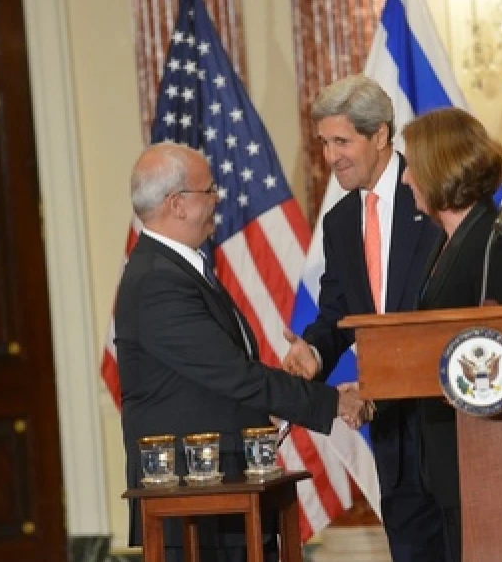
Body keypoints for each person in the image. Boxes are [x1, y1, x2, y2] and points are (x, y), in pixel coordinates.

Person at [115, 143, 366, 562]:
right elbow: (233, 375)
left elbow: (226, 376)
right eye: (208, 190)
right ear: (177, 204)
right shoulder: (158, 280)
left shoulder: (181, 267)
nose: (217, 199)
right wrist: (333, 402)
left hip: (223, 493)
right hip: (193, 501)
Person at [281, 74, 448, 561]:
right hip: (393, 435)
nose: (331, 156)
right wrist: (313, 351)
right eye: (325, 143)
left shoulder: (433, 195)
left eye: (342, 141)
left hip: (449, 424)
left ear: (380, 137)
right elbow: (338, 307)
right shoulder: (338, 221)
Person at [401, 107, 502, 561]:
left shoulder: (494, 245)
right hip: (449, 457)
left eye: (412, 167)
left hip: (484, 458)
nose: (405, 180)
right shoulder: (447, 243)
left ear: (438, 167)